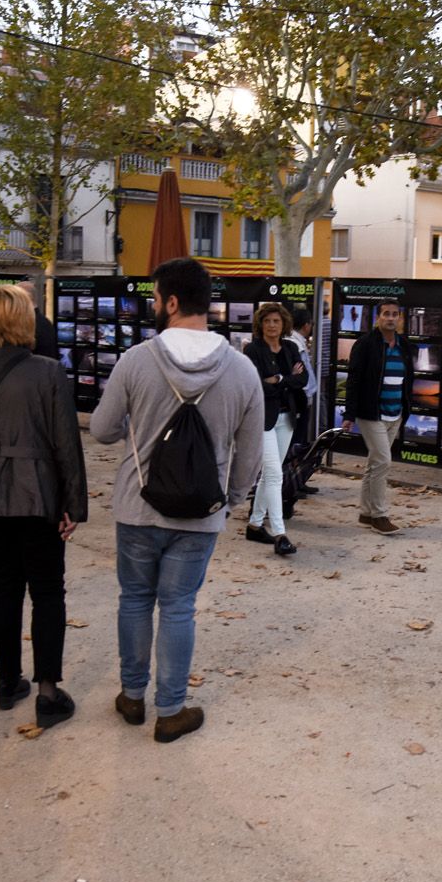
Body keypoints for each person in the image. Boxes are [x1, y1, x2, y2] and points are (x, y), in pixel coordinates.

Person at [90, 258, 263, 744]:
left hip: (137, 507)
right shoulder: (242, 369)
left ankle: (131, 696)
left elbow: (102, 431)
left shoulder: (135, 360)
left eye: (154, 296)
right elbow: (250, 455)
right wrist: (227, 501)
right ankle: (171, 710)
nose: (152, 304)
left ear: (170, 302)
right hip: (201, 514)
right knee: (179, 607)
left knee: (135, 600)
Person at [0, 285, 88, 727]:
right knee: (47, 590)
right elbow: (67, 442)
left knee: (4, 586)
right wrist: (73, 504)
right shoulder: (46, 372)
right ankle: (47, 693)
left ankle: (8, 682)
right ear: (25, 321)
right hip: (37, 496)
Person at [342, 299, 413, 535]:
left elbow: (407, 379)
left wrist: (406, 407)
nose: (390, 318)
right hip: (371, 413)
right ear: (378, 317)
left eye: (395, 314)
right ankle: (380, 515)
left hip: (395, 413)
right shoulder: (365, 344)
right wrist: (349, 414)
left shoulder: (403, 344)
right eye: (386, 314)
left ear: (399, 317)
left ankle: (366, 513)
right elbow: (353, 380)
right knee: (383, 462)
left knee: (375, 463)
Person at [243, 303, 308, 556]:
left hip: (286, 418)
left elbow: (301, 380)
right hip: (261, 419)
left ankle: (255, 525)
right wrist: (286, 379)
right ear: (261, 324)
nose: (272, 325)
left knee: (272, 473)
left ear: (284, 325)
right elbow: (256, 386)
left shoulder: (291, 348)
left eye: (276, 321)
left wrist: (279, 379)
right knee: (273, 474)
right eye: (268, 321)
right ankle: (280, 533)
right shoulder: (253, 351)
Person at [286, 306, 320, 454]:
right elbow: (303, 376)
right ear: (306, 325)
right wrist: (308, 394)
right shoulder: (297, 345)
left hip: (294, 399)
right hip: (299, 400)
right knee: (296, 442)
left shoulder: (291, 340)